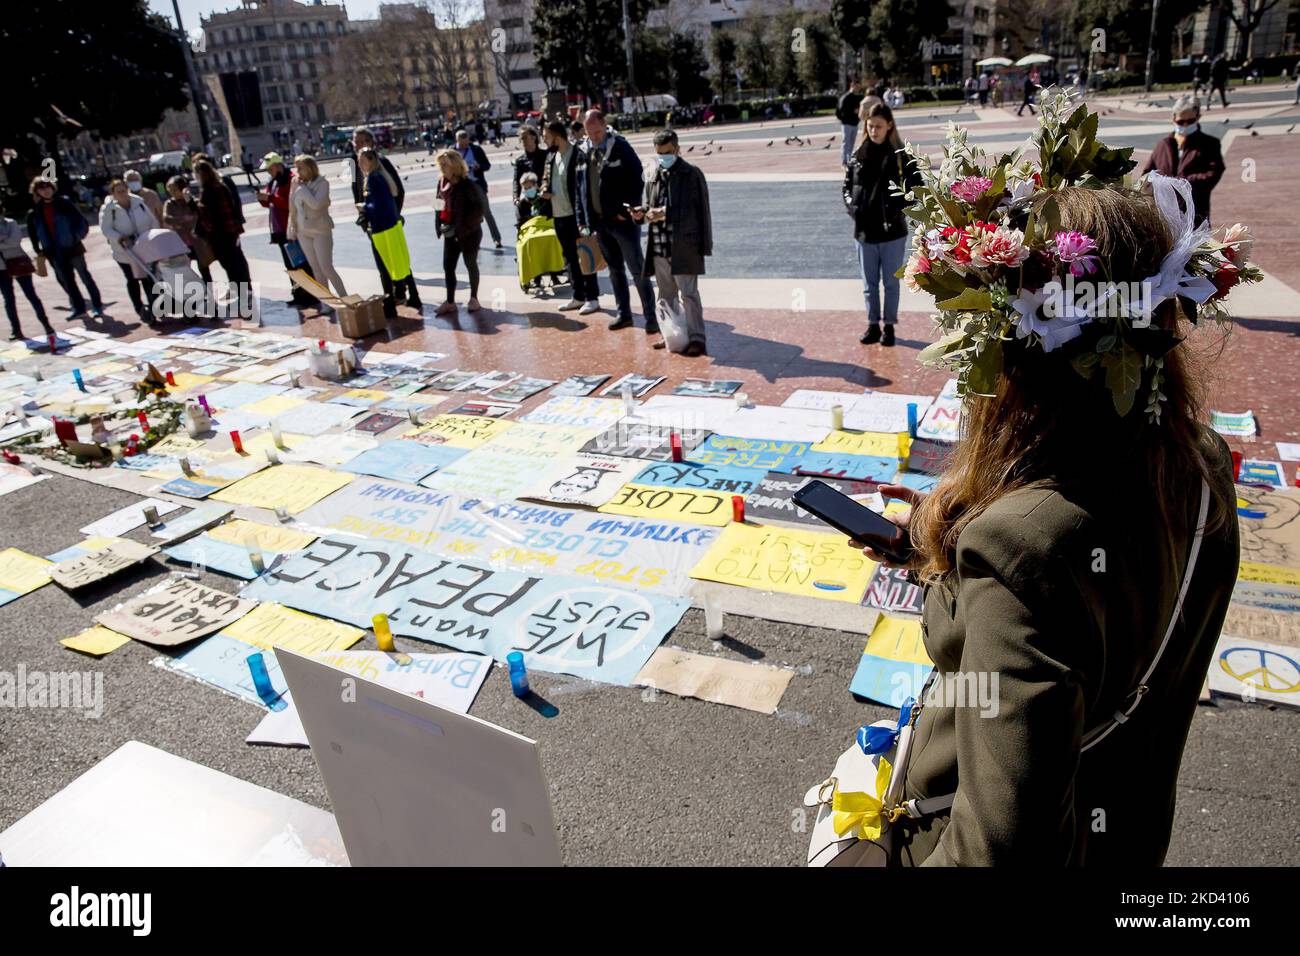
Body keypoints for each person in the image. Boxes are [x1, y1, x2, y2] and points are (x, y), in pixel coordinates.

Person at [855, 169, 1244, 867]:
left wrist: (982, 551)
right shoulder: (1203, 466)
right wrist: (939, 542)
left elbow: (998, 851)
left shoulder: (1019, 551)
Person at [843, 102, 920, 347]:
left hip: (893, 232)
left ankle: (889, 327)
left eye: (879, 126)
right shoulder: (858, 156)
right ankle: (872, 325)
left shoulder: (901, 157)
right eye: (870, 126)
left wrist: (901, 209)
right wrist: (853, 209)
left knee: (891, 283)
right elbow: (847, 188)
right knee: (869, 285)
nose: (874, 130)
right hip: (865, 232)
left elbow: (917, 188)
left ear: (889, 126)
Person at [576, 109, 658, 334]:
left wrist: (628, 208)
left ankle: (651, 316)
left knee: (637, 269)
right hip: (600, 222)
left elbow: (638, 177)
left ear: (605, 126)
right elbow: (580, 187)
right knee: (614, 270)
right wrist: (583, 218)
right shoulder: (584, 152)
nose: (594, 137)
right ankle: (624, 314)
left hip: (621, 221)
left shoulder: (620, 146)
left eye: (597, 132)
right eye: (589, 133)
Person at [634, 129, 712, 357]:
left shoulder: (691, 174)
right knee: (665, 295)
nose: (663, 157)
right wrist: (643, 212)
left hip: (684, 245)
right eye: (659, 153)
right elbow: (648, 204)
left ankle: (697, 337)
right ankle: (672, 335)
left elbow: (695, 211)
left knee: (689, 295)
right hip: (659, 245)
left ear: (677, 149)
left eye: (667, 152)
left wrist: (665, 213)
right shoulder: (653, 173)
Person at [348, 128, 415, 317]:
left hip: (386, 220)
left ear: (369, 142)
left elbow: (398, 190)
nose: (356, 145)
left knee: (394, 257)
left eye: (360, 141)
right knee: (385, 258)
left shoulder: (381, 163)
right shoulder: (354, 165)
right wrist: (361, 214)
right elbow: (356, 190)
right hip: (371, 221)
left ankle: (401, 292)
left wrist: (394, 214)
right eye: (354, 141)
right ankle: (398, 292)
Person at [542, 119, 600, 314]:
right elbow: (546, 179)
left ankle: (592, 297)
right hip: (559, 215)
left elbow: (584, 186)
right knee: (569, 258)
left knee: (585, 254)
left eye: (546, 136)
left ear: (556, 136)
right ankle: (578, 296)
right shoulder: (551, 157)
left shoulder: (577, 155)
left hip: (576, 215)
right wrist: (544, 189)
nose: (544, 140)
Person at [1140, 97, 1224, 227]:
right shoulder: (1163, 144)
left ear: (1198, 117)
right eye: (1181, 121)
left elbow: (1214, 172)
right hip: (1165, 216)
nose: (1185, 125)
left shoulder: (1209, 144)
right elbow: (1146, 174)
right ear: (1173, 119)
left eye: (1190, 121)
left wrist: (1183, 182)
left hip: (1195, 214)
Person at [26, 178, 103, 319]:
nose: (46, 190)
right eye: (41, 188)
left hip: (73, 248)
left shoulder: (64, 203)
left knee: (85, 276)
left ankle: (97, 305)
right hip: (54, 252)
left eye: (47, 187)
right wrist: (38, 250)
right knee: (67, 281)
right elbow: (33, 233)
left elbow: (82, 223)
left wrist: (75, 238)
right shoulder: (35, 212)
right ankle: (79, 307)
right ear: (37, 192)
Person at [258, 152, 317, 309]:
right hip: (280, 231)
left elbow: (289, 204)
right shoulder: (274, 182)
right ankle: (298, 294)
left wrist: (270, 198)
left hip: (292, 229)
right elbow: (270, 202)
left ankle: (311, 295)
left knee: (301, 263)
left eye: (270, 168)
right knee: (291, 265)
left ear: (277, 166)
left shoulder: (290, 180)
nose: (268, 172)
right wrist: (263, 198)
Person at [287, 154, 347, 302]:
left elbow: (317, 205)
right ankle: (327, 302)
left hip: (320, 230)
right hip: (303, 231)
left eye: (300, 168)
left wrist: (302, 190)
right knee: (316, 270)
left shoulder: (322, 183)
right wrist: (292, 226)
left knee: (326, 267)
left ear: (309, 168)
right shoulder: (296, 183)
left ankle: (345, 297)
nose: (297, 172)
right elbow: (292, 207)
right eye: (296, 168)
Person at [99, 178, 159, 324]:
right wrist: (119, 237)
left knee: (148, 278)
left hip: (143, 247)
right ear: (113, 193)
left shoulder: (138, 203)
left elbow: (152, 220)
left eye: (124, 190)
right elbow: (106, 229)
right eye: (118, 192)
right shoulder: (109, 209)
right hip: (124, 252)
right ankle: (139, 308)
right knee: (132, 280)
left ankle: (153, 308)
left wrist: (152, 235)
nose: (123, 194)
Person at [433, 148, 485, 315]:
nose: (442, 169)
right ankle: (450, 301)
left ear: (454, 166)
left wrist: (462, 228)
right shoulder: (441, 183)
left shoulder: (467, 185)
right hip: (450, 231)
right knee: (448, 266)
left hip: (468, 233)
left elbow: (479, 210)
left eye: (445, 165)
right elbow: (438, 203)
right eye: (440, 165)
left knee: (470, 264)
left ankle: (474, 298)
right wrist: (438, 223)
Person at [193, 159, 252, 293]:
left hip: (220, 234)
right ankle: (246, 291)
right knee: (236, 263)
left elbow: (207, 214)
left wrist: (193, 204)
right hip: (230, 231)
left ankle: (243, 294)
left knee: (231, 266)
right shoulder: (220, 185)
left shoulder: (209, 190)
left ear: (201, 174)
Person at [0, 200, 52, 339]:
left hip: (18, 262)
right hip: (1, 268)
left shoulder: (11, 223)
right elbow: (10, 242)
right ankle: (16, 330)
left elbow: (15, 240)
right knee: (8, 299)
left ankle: (46, 324)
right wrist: (5, 239)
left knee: (31, 295)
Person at [162, 175, 215, 301]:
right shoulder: (170, 204)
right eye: (170, 190)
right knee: (184, 271)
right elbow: (167, 218)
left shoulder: (191, 201)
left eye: (175, 190)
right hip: (181, 243)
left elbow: (196, 216)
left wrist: (182, 221)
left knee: (204, 269)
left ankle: (210, 295)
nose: (172, 193)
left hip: (196, 242)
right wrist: (183, 220)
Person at [455, 128, 502, 250]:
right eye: (462, 144)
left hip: (477, 184)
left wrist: (479, 167)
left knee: (486, 211)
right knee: (469, 214)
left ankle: (497, 239)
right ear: (457, 141)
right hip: (462, 187)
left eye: (466, 143)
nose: (465, 146)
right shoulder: (452, 152)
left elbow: (487, 165)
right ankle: (475, 240)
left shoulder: (475, 149)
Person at [511, 126, 548, 210]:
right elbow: (516, 181)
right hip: (528, 199)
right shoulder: (519, 161)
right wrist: (515, 197)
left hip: (545, 197)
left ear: (534, 137)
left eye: (525, 137)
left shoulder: (546, 156)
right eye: (521, 138)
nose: (523, 141)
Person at [836, 78, 865, 167]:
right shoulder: (845, 98)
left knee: (851, 142)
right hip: (847, 123)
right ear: (852, 86)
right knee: (846, 142)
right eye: (856, 87)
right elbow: (840, 111)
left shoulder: (857, 97)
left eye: (859, 87)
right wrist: (850, 114)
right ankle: (844, 161)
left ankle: (849, 159)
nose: (858, 89)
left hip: (854, 123)